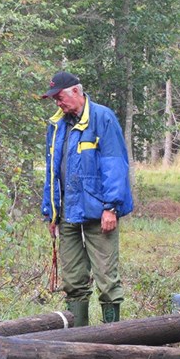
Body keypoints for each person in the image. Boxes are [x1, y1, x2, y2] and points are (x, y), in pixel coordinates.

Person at [41, 71, 133, 326]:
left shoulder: (102, 118)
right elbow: (52, 169)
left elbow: (114, 163)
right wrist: (51, 211)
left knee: (106, 279)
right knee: (72, 280)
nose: (57, 103)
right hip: (67, 212)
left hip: (99, 211)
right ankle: (78, 339)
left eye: (60, 97)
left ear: (76, 92)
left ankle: (112, 339)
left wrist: (111, 207)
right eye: (54, 99)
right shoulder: (57, 124)